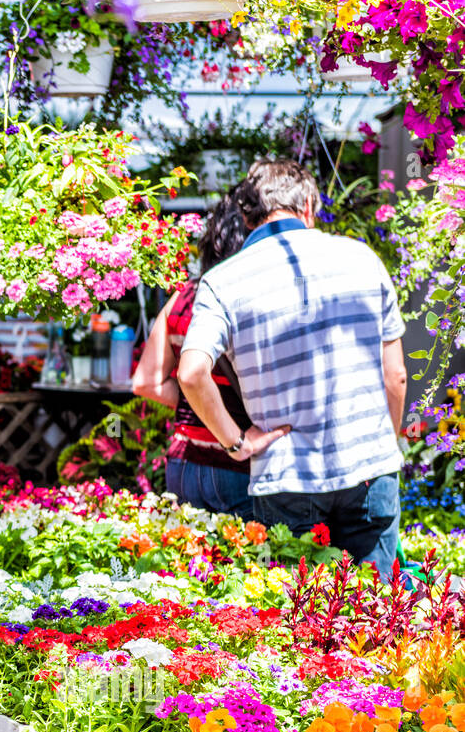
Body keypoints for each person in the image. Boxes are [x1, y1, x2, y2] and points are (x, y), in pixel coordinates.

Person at [178, 159, 408, 577]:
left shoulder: (221, 281)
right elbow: (396, 376)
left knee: (294, 622)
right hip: (370, 470)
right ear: (307, 207)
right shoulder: (362, 258)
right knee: (378, 618)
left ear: (247, 217)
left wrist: (236, 443)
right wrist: (381, 445)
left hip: (285, 475)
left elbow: (191, 372)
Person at [132, 189, 253, 518]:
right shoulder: (249, 299)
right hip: (240, 461)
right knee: (252, 565)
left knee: (192, 564)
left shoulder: (182, 298)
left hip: (183, 464)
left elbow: (145, 383)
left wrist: (198, 401)